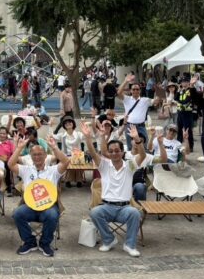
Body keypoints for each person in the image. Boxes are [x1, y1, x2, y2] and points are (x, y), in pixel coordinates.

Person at [86, 124, 160, 257]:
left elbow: (142, 155)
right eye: (111, 151)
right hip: (107, 206)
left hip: (124, 208)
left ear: (122, 152)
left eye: (117, 150)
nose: (114, 153)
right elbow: (92, 153)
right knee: (95, 212)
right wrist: (88, 138)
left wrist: (137, 139)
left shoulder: (129, 165)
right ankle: (109, 240)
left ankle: (129, 245)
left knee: (135, 213)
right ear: (108, 153)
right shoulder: (104, 166)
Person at [8, 135, 70, 257]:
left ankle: (44, 243)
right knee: (17, 213)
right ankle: (30, 242)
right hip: (30, 206)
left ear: (45, 155)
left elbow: (66, 162)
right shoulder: (26, 170)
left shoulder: (53, 170)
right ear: (31, 157)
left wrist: (54, 147)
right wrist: (19, 148)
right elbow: (10, 164)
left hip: (49, 207)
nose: (37, 157)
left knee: (52, 215)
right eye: (34, 154)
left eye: (40, 154)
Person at [116, 74, 159, 150]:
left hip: (141, 126)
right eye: (133, 89)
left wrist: (159, 91)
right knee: (130, 147)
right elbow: (119, 93)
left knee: (144, 147)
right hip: (130, 126)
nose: (135, 91)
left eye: (137, 89)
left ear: (140, 90)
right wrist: (126, 81)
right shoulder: (127, 99)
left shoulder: (145, 100)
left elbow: (156, 102)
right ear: (131, 91)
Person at [52, 115, 85, 187]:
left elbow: (85, 136)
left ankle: (79, 180)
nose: (68, 124)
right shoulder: (62, 135)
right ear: (64, 126)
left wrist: (83, 125)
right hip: (66, 156)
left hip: (77, 156)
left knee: (76, 159)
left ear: (73, 123)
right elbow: (52, 136)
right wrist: (50, 126)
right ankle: (68, 180)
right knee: (67, 160)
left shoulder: (78, 134)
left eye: (70, 122)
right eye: (66, 123)